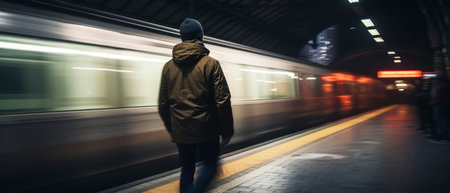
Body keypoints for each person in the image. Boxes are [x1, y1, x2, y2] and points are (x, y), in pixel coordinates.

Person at [158, 18, 234, 193]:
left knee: (187, 170)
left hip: (181, 131)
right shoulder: (211, 64)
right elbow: (222, 100)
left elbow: (163, 103)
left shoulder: (168, 67)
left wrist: (173, 128)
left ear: (182, 38)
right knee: (210, 167)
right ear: (201, 37)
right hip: (207, 129)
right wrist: (227, 131)